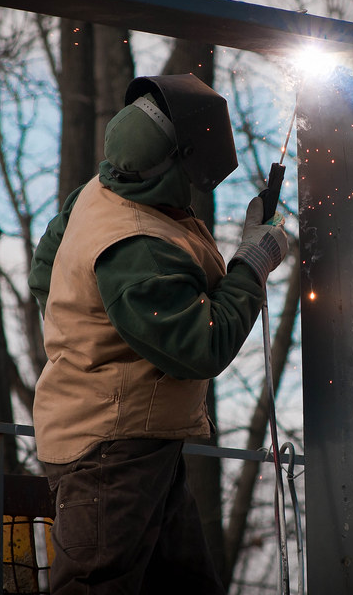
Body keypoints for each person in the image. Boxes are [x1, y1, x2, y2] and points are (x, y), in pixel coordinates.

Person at [28, 74, 287, 594]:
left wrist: (92, 331)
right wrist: (252, 264)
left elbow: (44, 273)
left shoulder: (100, 195)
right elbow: (203, 345)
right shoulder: (137, 246)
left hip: (140, 444)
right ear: (176, 160)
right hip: (112, 451)